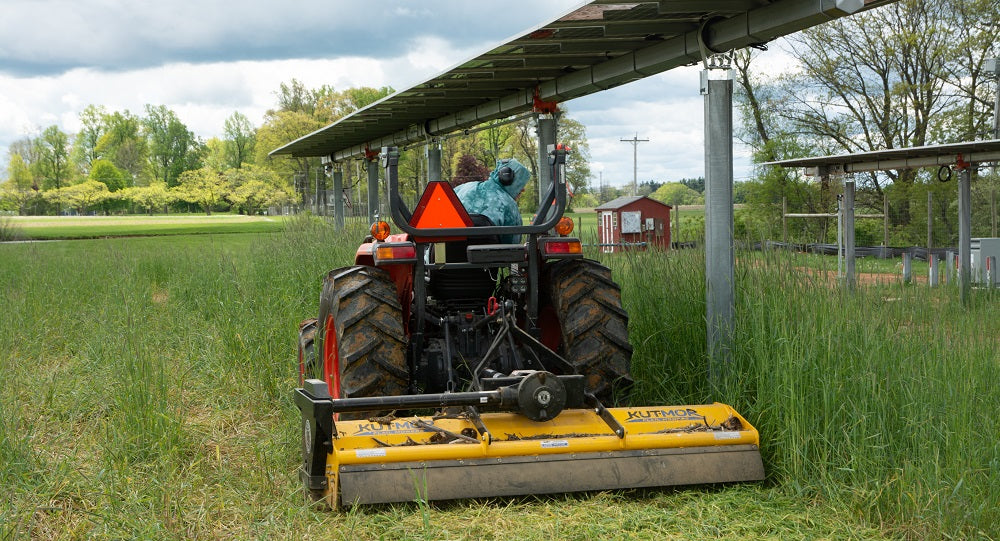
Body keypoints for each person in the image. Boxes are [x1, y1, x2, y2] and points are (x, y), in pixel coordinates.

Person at [453, 158, 531, 244]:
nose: (523, 190)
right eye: (520, 185)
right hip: (489, 256)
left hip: (448, 254)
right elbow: (512, 247)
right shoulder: (509, 206)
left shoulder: (462, 188)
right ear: (508, 179)